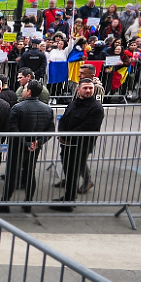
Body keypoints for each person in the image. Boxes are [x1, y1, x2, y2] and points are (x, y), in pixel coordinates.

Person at [0, 80, 54, 212]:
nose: (23, 90)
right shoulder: (47, 109)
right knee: (30, 173)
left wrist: (27, 143)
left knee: (12, 174)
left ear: (29, 92)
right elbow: (50, 130)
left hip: (17, 147)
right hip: (34, 147)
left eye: (24, 89)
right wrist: (38, 142)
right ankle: (28, 202)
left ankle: (5, 203)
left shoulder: (18, 108)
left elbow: (13, 129)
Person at [50, 80, 104, 212]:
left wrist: (67, 137)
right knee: (69, 172)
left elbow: (86, 128)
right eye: (85, 88)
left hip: (81, 146)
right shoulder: (74, 103)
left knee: (73, 173)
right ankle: (68, 197)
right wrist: (62, 135)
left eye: (90, 88)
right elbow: (63, 120)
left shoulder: (96, 108)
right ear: (78, 89)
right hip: (67, 144)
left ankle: (69, 202)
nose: (88, 90)